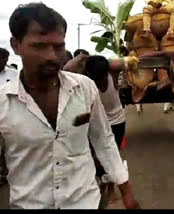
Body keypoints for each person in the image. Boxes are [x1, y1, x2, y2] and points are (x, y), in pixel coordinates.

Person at [0, 3, 140, 209]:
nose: (51, 56)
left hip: (86, 202)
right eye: (39, 46)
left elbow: (104, 140)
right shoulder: (3, 102)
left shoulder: (84, 88)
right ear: (16, 45)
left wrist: (126, 192)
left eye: (58, 46)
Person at [85, 55, 128, 207]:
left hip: (117, 123)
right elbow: (69, 68)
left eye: (103, 75)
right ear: (90, 76)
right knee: (96, 158)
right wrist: (85, 57)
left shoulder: (113, 76)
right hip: (98, 124)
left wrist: (107, 63)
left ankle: (111, 188)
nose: (101, 80)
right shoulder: (87, 83)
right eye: (97, 77)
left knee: (112, 155)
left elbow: (123, 62)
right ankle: (105, 183)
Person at [0, 48, 18, 186]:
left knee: (9, 147)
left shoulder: (13, 75)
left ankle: (7, 173)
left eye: (5, 59)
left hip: (9, 115)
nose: (3, 61)